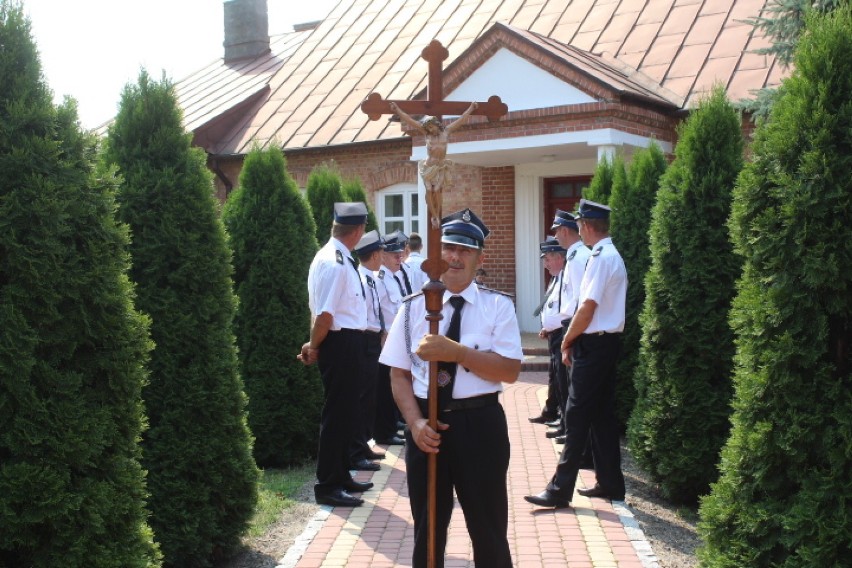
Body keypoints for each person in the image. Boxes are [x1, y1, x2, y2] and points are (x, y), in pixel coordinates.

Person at [380, 208, 523, 568]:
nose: (455, 257)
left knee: (488, 529)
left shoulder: (498, 306)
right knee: (427, 532)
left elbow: (509, 370)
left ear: (480, 258)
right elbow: (398, 374)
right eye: (449, 248)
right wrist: (413, 423)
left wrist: (456, 352)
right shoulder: (413, 309)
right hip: (427, 426)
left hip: (480, 425)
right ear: (437, 254)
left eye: (465, 250)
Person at [525, 199, 627, 509]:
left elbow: (587, 306)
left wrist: (568, 340)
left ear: (584, 226)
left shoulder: (600, 256)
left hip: (593, 343)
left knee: (577, 413)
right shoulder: (608, 254)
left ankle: (559, 489)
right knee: (600, 415)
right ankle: (610, 483)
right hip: (604, 342)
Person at [298, 202, 373, 508]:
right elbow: (324, 315)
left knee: (346, 414)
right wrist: (314, 346)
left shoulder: (339, 258)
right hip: (340, 343)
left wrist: (314, 342)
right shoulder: (334, 262)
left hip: (346, 342)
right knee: (337, 415)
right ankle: (328, 485)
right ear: (357, 231)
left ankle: (341, 476)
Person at [543, 209, 592, 444]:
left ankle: (578, 443)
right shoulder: (575, 256)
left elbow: (583, 300)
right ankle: (572, 436)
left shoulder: (580, 257)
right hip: (568, 326)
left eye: (557, 231)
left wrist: (570, 336)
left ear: (564, 230)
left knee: (574, 391)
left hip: (575, 328)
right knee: (567, 387)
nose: (556, 237)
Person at [389, 101, 478, 228]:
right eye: (428, 128)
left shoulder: (446, 131)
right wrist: (397, 110)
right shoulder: (426, 134)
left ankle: (437, 216)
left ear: (436, 125)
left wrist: (471, 108)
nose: (430, 130)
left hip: (440, 167)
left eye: (431, 127)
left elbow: (462, 119)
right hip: (428, 167)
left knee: (437, 190)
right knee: (430, 190)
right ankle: (435, 216)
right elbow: (409, 120)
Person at [350, 230, 389, 471]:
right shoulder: (362, 280)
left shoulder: (371, 278)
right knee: (362, 397)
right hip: (364, 340)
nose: (383, 256)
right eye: (381, 252)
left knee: (370, 397)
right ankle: (356, 451)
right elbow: (362, 316)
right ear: (374, 255)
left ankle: (363, 444)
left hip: (373, 339)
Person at [528, 236, 567, 427]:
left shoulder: (566, 277)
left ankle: (565, 422)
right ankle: (551, 412)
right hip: (553, 334)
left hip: (563, 334)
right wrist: (546, 327)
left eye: (548, 259)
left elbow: (568, 308)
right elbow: (551, 307)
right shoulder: (556, 279)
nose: (545, 264)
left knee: (562, 379)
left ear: (559, 257)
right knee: (554, 377)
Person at [373, 233, 406, 446]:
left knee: (394, 385)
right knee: (384, 389)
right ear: (383, 255)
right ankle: (384, 432)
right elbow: (377, 312)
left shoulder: (396, 277)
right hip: (385, 341)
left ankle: (393, 424)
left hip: (398, 340)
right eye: (394, 254)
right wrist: (382, 335)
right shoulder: (380, 279)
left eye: (400, 254)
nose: (398, 258)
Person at [383, 230, 415, 296]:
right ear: (384, 254)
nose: (399, 260)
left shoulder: (398, 271)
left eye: (400, 256)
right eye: (396, 257)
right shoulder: (379, 280)